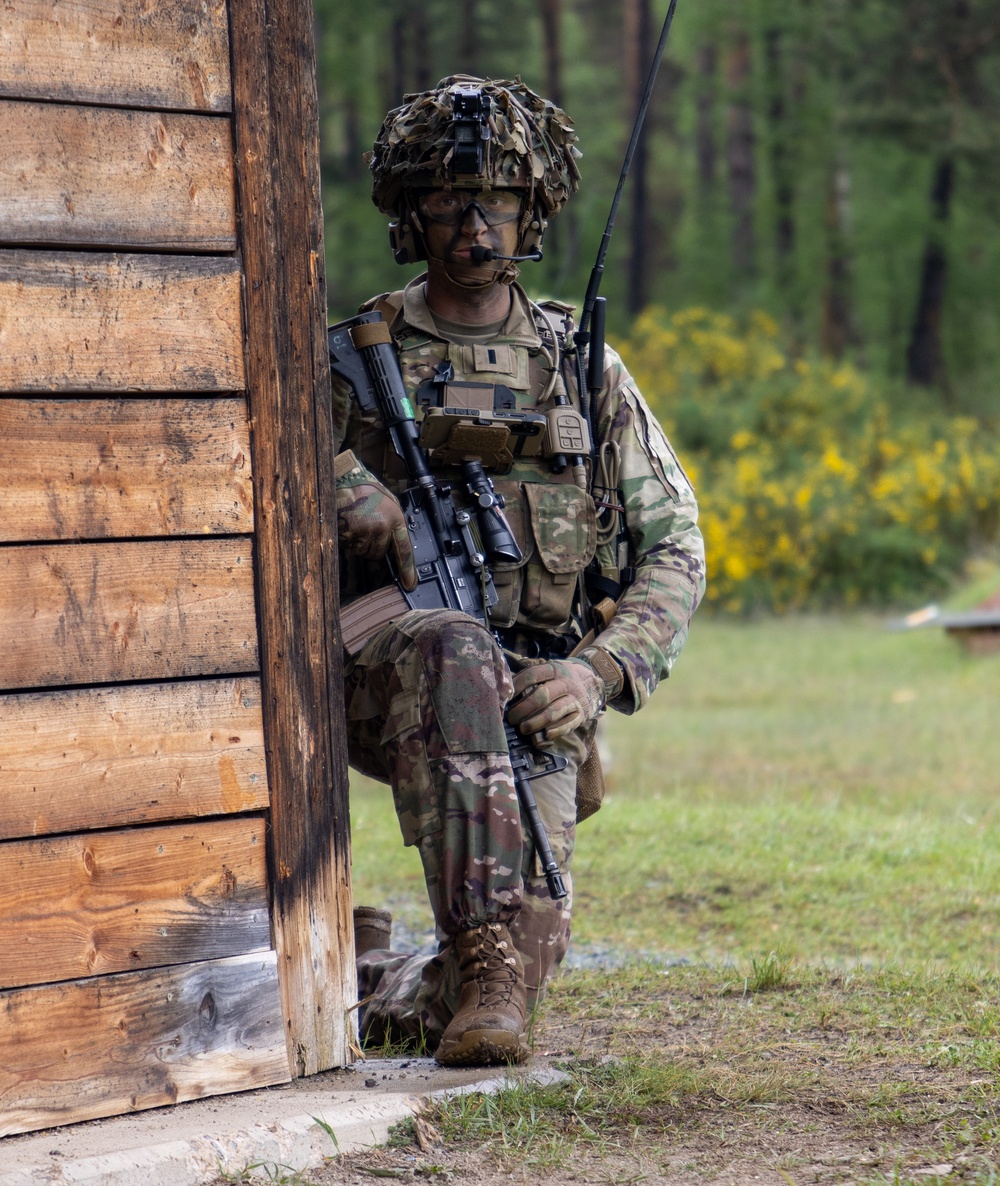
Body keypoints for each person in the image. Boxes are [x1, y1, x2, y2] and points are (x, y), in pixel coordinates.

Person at [331, 75, 705, 1067]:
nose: (472, 226)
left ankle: (384, 973)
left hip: (530, 694)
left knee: (521, 967)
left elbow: (676, 541)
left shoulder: (576, 366)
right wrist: (328, 479)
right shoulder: (351, 359)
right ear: (412, 211)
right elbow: (233, 453)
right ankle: (478, 954)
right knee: (454, 643)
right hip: (377, 674)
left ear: (531, 208)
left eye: (494, 199)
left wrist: (593, 673)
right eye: (449, 201)